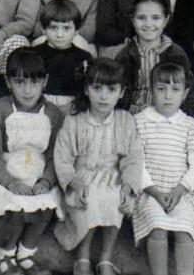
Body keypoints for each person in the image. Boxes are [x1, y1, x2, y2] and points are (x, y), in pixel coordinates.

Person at [54, 58, 143, 275]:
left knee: (116, 199)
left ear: (121, 92)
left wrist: (128, 185)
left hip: (113, 175)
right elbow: (63, 157)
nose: (104, 96)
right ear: (87, 90)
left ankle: (105, 257)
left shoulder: (125, 120)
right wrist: (74, 183)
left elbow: (133, 158)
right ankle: (83, 255)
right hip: (81, 176)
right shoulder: (75, 120)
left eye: (111, 90)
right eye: (97, 88)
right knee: (89, 200)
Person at [0, 48, 63, 275]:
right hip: (6, 172)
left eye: (34, 82)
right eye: (20, 82)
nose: (28, 90)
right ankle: (6, 252)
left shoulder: (53, 113)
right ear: (8, 82)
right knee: (15, 209)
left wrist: (46, 181)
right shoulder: (1, 109)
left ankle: (26, 252)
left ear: (45, 82)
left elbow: (56, 153)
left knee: (45, 206)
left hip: (39, 173)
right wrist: (9, 182)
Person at [132, 62, 194, 275]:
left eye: (175, 89)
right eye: (161, 88)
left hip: (181, 192)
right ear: (151, 91)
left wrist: (180, 189)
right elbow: (136, 163)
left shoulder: (191, 126)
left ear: (185, 94)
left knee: (184, 232)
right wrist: (153, 191)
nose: (168, 96)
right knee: (158, 228)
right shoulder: (139, 122)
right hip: (149, 192)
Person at [115, 0, 194, 116]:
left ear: (166, 20)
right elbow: (117, 92)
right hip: (132, 116)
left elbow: (190, 93)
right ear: (133, 20)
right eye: (141, 18)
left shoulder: (177, 54)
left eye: (155, 18)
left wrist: (183, 119)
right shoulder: (125, 54)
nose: (148, 24)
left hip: (168, 115)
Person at [33, 0, 93, 115]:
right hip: (39, 105)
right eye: (53, 28)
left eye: (66, 28)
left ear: (76, 30)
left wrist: (74, 105)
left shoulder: (83, 57)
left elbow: (87, 88)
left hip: (73, 107)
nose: (59, 35)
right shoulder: (34, 54)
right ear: (43, 29)